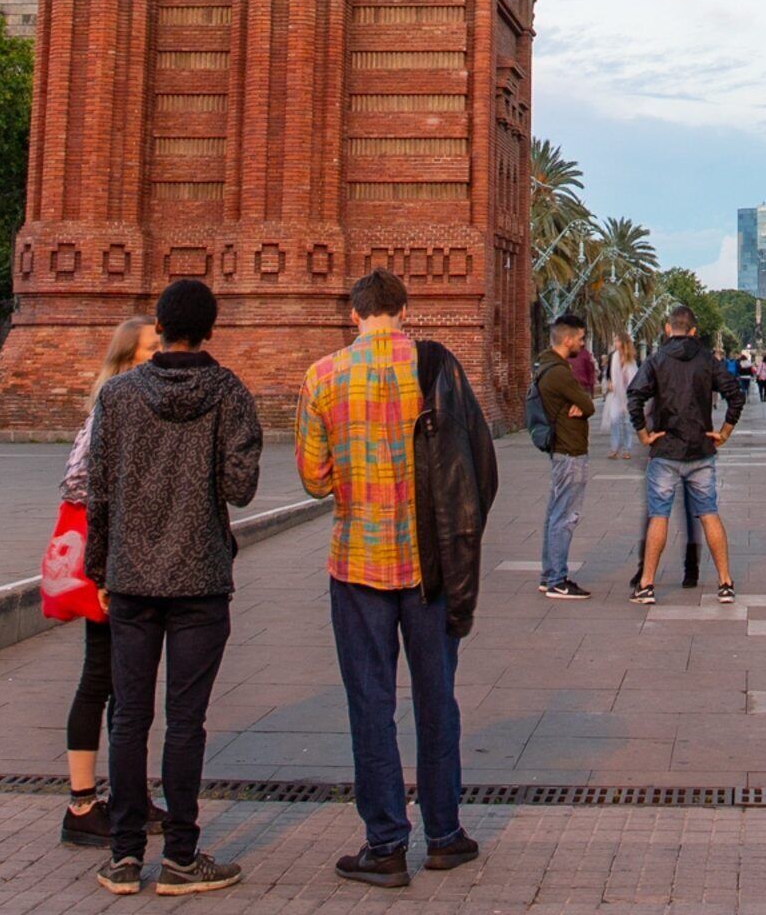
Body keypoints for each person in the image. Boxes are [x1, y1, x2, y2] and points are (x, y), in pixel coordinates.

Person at [305, 269, 496, 888]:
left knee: (371, 704)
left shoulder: (323, 376)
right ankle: (444, 835)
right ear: (404, 310)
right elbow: (480, 465)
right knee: (437, 698)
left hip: (357, 562)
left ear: (353, 314)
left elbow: (314, 477)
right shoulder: (440, 367)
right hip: (430, 567)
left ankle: (385, 844)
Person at [78, 279, 261, 896]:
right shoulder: (228, 391)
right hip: (201, 578)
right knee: (187, 721)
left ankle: (124, 857)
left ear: (159, 326)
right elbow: (240, 487)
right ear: (211, 328)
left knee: (128, 717)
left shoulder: (120, 396)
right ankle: (182, 857)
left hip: (129, 578)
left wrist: (98, 571)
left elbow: (96, 491)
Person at [58, 315, 158, 848]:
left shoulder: (126, 399)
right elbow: (77, 481)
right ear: (127, 358)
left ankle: (129, 796)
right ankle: (81, 805)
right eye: (151, 347)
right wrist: (102, 563)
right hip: (110, 562)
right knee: (100, 677)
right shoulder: (110, 405)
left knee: (127, 683)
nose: (159, 352)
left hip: (126, 559)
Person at [625, 304, 746, 605]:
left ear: (668, 329)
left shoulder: (656, 360)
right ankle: (725, 583)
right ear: (693, 331)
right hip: (701, 450)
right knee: (709, 514)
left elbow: (634, 395)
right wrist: (725, 431)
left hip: (665, 449)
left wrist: (643, 434)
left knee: (658, 516)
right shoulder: (708, 360)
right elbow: (735, 394)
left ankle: (647, 584)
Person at [533, 314, 597, 598]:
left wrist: (579, 404)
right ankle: (557, 579)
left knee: (554, 514)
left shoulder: (547, 366)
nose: (582, 345)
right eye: (581, 339)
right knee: (565, 516)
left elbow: (582, 402)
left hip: (561, 449)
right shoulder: (559, 373)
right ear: (568, 339)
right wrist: (580, 404)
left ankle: (549, 575)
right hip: (570, 450)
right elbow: (587, 403)